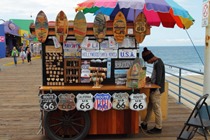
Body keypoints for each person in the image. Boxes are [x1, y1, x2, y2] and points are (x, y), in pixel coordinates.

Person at [140, 47, 165, 134]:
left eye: (147, 61)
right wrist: (149, 80)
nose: (148, 63)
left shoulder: (158, 63)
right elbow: (156, 78)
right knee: (150, 107)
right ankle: (145, 123)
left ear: (150, 58)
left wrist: (152, 87)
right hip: (154, 89)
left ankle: (158, 127)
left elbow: (158, 80)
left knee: (156, 108)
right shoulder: (157, 62)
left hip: (156, 90)